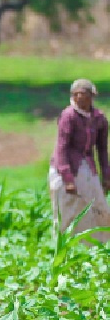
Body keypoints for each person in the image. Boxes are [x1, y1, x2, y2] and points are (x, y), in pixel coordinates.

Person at [49, 78, 110, 243]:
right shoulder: (68, 116)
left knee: (100, 210)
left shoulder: (99, 119)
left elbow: (102, 151)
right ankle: (65, 248)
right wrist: (68, 179)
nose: (79, 98)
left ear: (91, 97)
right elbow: (62, 148)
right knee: (68, 213)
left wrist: (106, 176)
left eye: (83, 94)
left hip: (87, 169)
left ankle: (97, 247)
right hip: (65, 170)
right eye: (76, 95)